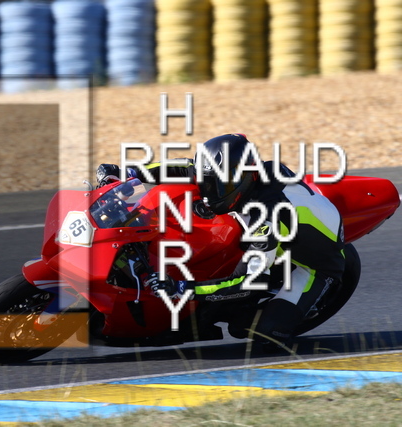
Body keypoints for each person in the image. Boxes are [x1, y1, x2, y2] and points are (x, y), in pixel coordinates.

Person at [96, 133, 346, 351]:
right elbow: (185, 167)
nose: (207, 193)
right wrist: (128, 174)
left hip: (314, 264)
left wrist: (182, 288)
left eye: (217, 186)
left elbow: (250, 283)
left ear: (242, 179)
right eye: (206, 182)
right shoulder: (235, 173)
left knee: (256, 331)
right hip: (283, 223)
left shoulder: (266, 218)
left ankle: (291, 308)